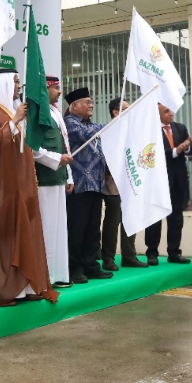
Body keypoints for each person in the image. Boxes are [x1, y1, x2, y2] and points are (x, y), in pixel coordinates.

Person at [0, 70, 58, 306]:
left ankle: (27, 286)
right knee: (8, 239)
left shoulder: (12, 110)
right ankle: (6, 291)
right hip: (4, 189)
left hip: (22, 186)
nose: (18, 86)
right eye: (14, 82)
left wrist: (17, 120)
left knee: (27, 234)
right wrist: (13, 122)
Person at [64, 87, 111, 284]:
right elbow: (85, 135)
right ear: (74, 106)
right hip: (79, 185)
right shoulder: (70, 124)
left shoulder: (91, 125)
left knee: (93, 229)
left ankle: (91, 265)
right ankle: (75, 267)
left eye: (92, 102)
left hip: (96, 184)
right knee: (77, 229)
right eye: (87, 102)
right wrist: (111, 126)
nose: (91, 105)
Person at [32, 75, 74, 288]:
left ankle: (59, 274)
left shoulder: (55, 112)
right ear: (45, 89)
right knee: (47, 228)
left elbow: (64, 144)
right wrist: (57, 160)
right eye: (56, 88)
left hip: (58, 177)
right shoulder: (36, 112)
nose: (59, 92)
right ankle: (45, 277)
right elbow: (32, 149)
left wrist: (69, 175)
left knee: (58, 228)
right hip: (43, 180)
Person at [102, 98, 147, 270]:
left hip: (130, 181)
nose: (131, 111)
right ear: (115, 111)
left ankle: (129, 255)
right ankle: (108, 258)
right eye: (127, 108)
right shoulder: (109, 130)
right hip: (112, 182)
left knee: (131, 217)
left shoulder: (131, 130)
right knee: (113, 221)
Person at [146, 104, 192, 265]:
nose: (171, 114)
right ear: (157, 113)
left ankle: (174, 252)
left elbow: (191, 149)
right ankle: (152, 252)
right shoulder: (151, 131)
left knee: (176, 219)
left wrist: (186, 148)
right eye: (166, 111)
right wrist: (176, 150)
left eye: (171, 110)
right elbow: (153, 154)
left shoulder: (180, 128)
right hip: (158, 182)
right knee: (155, 219)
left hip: (178, 180)